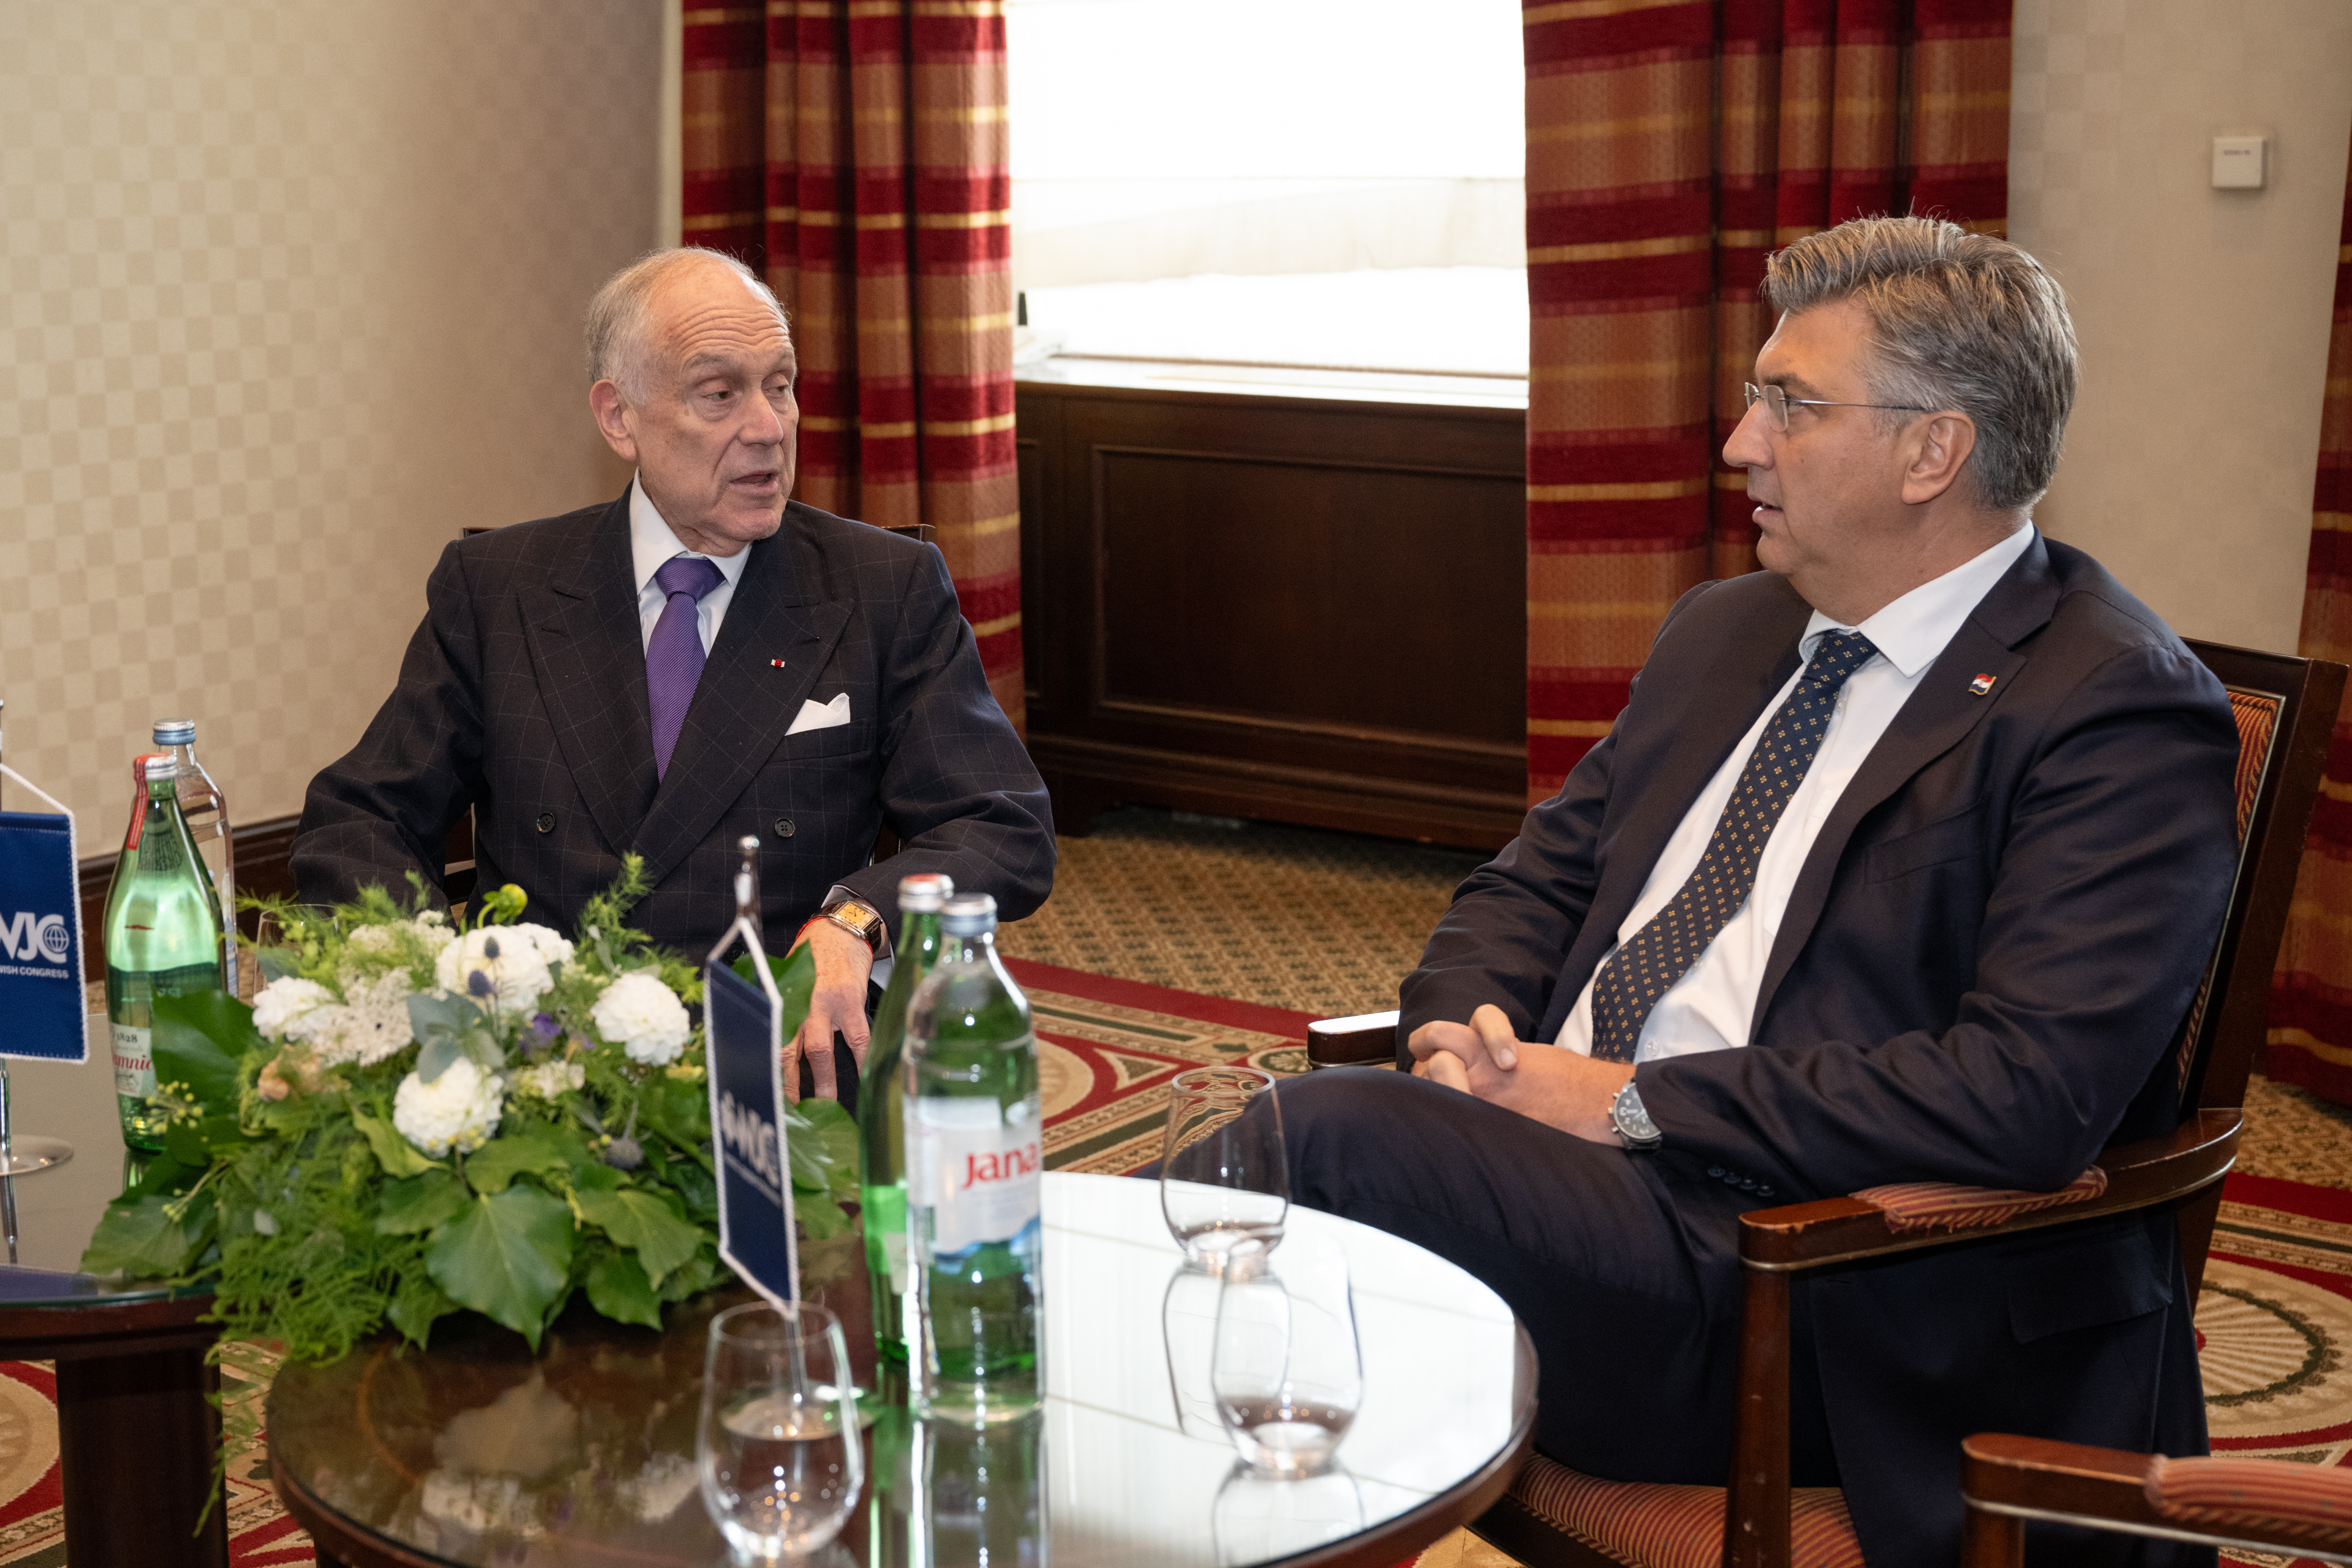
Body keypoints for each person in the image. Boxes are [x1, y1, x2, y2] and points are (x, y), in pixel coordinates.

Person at [1275, 217, 2236, 1567]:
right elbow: (1537, 879)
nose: (1740, 442)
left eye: (1792, 403)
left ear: (1932, 451)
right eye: (1754, 397)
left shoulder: (2113, 708)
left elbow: (2024, 1093)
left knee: (1315, 1151)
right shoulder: (1726, 629)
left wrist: (1625, 1100)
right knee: (1288, 1235)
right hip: (1573, 1197)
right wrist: (1462, 1031)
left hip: (1810, 1288)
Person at [293, 248, 1054, 1102]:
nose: (769, 427)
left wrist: (858, 918)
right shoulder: (500, 589)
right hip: (545, 1062)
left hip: (781, 1057)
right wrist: (436, 977)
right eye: (720, 394)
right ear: (619, 418)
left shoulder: (881, 588)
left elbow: (1002, 824)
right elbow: (362, 816)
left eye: (780, 386)